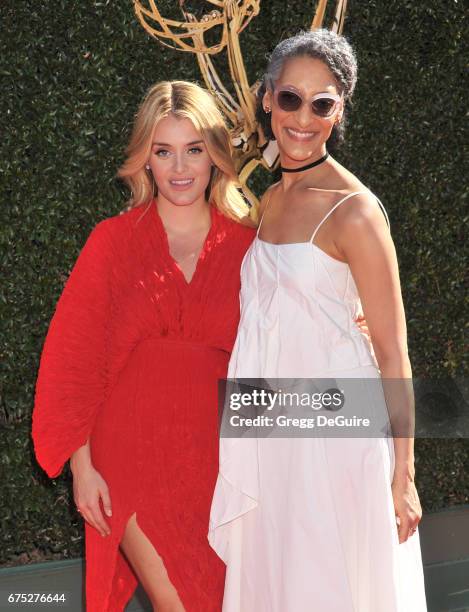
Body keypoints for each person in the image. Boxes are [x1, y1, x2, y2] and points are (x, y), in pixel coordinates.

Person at [209, 30, 428, 611]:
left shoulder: (355, 211)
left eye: (322, 104)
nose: (303, 118)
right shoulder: (269, 198)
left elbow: (392, 351)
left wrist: (402, 474)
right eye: (290, 99)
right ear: (267, 99)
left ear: (339, 111)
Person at [31, 80, 256, 612]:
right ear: (145, 161)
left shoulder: (251, 245)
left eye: (194, 149)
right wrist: (82, 470)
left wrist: (349, 321)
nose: (180, 167)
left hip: (220, 464)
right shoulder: (113, 241)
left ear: (215, 157)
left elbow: (286, 339)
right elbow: (73, 359)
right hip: (129, 457)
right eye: (164, 151)